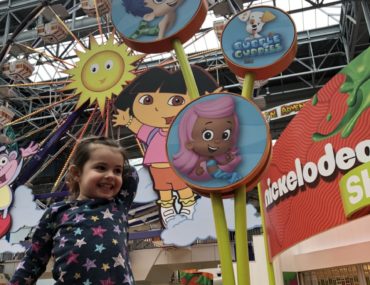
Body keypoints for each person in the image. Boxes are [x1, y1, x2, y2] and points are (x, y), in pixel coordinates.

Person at [9, 136, 138, 285]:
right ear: (76, 173)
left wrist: (108, 147)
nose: (110, 175)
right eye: (101, 167)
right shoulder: (57, 212)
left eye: (117, 171)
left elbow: (132, 173)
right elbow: (33, 259)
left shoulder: (118, 204)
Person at [113, 66, 218, 227]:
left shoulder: (183, 130)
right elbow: (139, 128)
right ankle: (167, 209)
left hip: (178, 165)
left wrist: (210, 105)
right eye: (147, 100)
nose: (158, 108)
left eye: (176, 101)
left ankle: (188, 206)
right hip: (157, 167)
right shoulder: (153, 132)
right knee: (163, 190)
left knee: (182, 187)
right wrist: (127, 121)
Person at [173, 95, 242, 183]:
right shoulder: (198, 164)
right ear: (189, 143)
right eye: (207, 135)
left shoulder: (222, 158)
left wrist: (229, 162)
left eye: (225, 135)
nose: (217, 141)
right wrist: (200, 168)